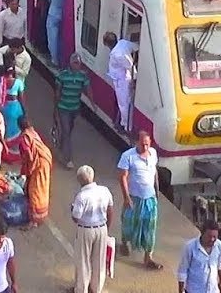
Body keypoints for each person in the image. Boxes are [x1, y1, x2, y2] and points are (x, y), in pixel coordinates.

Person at [118, 130, 163, 270]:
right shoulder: (128, 156)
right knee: (128, 223)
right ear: (136, 142)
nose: (145, 148)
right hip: (134, 198)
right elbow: (123, 177)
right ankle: (125, 243)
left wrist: (157, 189)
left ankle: (148, 257)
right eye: (142, 144)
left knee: (150, 226)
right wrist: (126, 197)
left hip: (150, 199)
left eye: (147, 145)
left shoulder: (153, 154)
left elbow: (154, 172)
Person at [70, 164, 113, 293]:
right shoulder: (105, 190)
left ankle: (81, 289)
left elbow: (76, 217)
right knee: (99, 260)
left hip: (86, 229)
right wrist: (107, 229)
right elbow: (110, 210)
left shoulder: (81, 196)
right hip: (102, 228)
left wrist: (72, 209)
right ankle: (96, 289)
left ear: (79, 180)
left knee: (83, 261)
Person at [54, 55, 91, 169]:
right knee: (66, 132)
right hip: (63, 108)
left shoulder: (83, 76)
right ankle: (68, 159)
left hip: (74, 109)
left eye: (78, 63)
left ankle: (61, 145)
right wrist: (55, 109)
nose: (76, 65)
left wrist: (93, 104)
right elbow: (58, 93)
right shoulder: (62, 75)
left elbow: (88, 89)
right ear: (70, 63)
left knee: (68, 131)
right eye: (74, 63)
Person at [16, 117, 53, 229]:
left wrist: (29, 167)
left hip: (38, 163)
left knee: (35, 190)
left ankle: (34, 220)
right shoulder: (32, 132)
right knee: (42, 186)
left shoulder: (24, 138)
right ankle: (41, 213)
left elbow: (29, 154)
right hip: (45, 158)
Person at [0, 64, 25, 162]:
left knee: (2, 131)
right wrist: (25, 112)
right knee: (15, 132)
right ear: (12, 72)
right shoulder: (18, 83)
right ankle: (11, 153)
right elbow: (21, 99)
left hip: (1, 110)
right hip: (15, 110)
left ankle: (1, 150)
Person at [177, 220, 221, 293]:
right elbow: (182, 271)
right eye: (209, 236)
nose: (212, 240)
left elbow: (220, 264)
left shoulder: (219, 245)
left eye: (215, 237)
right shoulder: (190, 247)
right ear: (202, 233)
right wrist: (181, 291)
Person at [106, 32, 137, 133]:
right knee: (124, 103)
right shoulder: (123, 43)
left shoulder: (117, 54)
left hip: (123, 81)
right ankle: (125, 123)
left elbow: (129, 65)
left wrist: (134, 78)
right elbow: (136, 47)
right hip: (122, 79)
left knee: (124, 104)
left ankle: (126, 126)